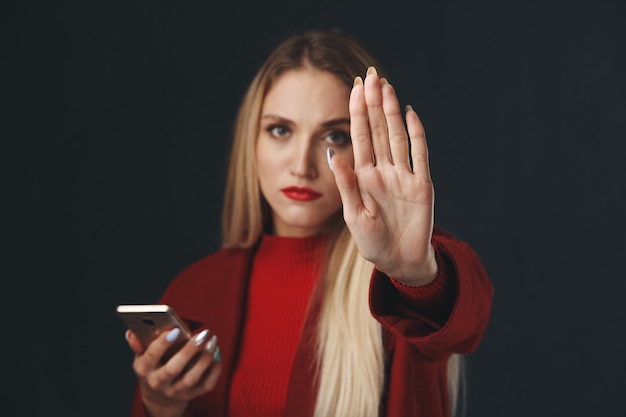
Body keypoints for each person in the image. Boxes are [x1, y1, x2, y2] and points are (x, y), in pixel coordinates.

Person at [123, 28, 494, 417]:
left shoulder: (399, 281)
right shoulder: (194, 291)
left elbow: (468, 320)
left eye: (334, 135)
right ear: (251, 140)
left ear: (370, 143)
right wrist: (160, 405)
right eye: (280, 130)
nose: (302, 165)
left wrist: (417, 274)